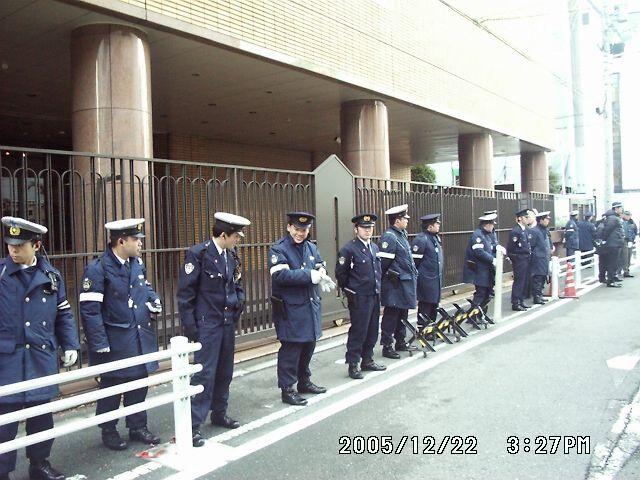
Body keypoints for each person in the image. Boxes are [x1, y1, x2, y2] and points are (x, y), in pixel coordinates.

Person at [0, 217, 80, 480]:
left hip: (39, 356)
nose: (13, 250)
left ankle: (39, 464)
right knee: (4, 421)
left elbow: (64, 314)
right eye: (10, 244)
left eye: (20, 245)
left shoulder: (51, 276)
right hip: (7, 359)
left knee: (41, 416)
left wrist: (70, 344)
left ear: (36, 245)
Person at [79, 219, 162, 451]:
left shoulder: (136, 264)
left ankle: (137, 426)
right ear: (121, 241)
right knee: (112, 388)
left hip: (138, 337)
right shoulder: (98, 269)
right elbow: (90, 309)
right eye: (136, 240)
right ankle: (109, 429)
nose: (140, 244)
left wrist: (154, 300)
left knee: (139, 383)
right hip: (114, 341)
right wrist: (99, 343)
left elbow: (145, 288)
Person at [178, 212, 251, 447]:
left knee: (224, 371)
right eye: (235, 236)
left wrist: (239, 303)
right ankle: (193, 425)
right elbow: (186, 294)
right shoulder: (198, 255)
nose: (238, 240)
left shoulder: (231, 256)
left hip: (227, 322)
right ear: (223, 234)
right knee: (204, 374)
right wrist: (192, 328)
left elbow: (236, 284)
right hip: (207, 324)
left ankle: (219, 412)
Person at [269, 212, 335, 406]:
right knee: (291, 348)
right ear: (289, 227)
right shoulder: (279, 249)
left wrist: (322, 272)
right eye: (297, 229)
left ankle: (304, 381)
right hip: (290, 309)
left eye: (304, 230)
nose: (300, 233)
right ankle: (287, 389)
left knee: (308, 345)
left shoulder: (311, 247)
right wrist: (309, 275)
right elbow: (280, 276)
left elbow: (320, 264)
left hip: (309, 306)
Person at [335, 213, 386, 380]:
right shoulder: (349, 249)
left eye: (370, 227)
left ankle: (368, 359)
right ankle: (353, 363)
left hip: (374, 294)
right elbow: (341, 274)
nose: (368, 231)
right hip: (359, 297)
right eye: (364, 228)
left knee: (372, 329)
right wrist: (350, 290)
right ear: (356, 229)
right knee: (359, 330)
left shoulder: (375, 247)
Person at [377, 204, 417, 359]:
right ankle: (387, 345)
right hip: (394, 283)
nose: (407, 221)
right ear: (397, 220)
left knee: (402, 313)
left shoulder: (401, 234)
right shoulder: (389, 237)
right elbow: (383, 264)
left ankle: (400, 341)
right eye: (404, 219)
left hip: (403, 282)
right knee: (391, 315)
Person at [463, 213, 501, 309]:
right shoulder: (478, 235)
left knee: (488, 293)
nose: (493, 227)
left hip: (487, 270)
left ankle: (481, 314)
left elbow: (489, 247)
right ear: (486, 225)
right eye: (492, 224)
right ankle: (474, 315)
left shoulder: (486, 235)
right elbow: (479, 252)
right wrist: (492, 259)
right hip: (480, 270)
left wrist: (497, 248)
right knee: (481, 293)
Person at [411, 213, 444, 326]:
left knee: (434, 304)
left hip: (435, 279)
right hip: (426, 280)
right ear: (429, 226)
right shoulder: (421, 239)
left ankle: (431, 327)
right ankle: (423, 327)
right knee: (426, 304)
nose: (438, 225)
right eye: (436, 224)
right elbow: (415, 262)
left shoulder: (434, 238)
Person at [506, 209, 532, 311]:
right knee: (519, 281)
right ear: (520, 219)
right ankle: (516, 302)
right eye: (525, 217)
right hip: (519, 259)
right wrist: (515, 259)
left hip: (525, 258)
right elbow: (511, 248)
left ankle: (521, 300)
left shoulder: (524, 230)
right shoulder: (516, 231)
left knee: (524, 281)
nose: (527, 219)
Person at [529, 211, 553, 304]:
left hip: (545, 257)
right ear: (541, 220)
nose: (548, 221)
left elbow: (548, 241)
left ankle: (540, 294)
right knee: (538, 278)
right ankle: (537, 296)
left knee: (543, 277)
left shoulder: (546, 230)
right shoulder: (534, 231)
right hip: (538, 258)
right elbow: (531, 246)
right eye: (546, 219)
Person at [600, 202, 625, 287]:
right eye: (620, 208)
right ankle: (610, 281)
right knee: (612, 262)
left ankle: (612, 278)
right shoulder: (613, 218)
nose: (621, 209)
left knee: (614, 262)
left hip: (614, 243)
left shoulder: (614, 217)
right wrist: (604, 239)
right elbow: (607, 230)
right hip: (612, 243)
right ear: (616, 208)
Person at [620, 210, 637, 278]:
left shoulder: (632, 223)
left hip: (629, 241)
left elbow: (635, 231)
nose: (628, 216)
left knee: (628, 256)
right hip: (623, 241)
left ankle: (626, 271)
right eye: (626, 215)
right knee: (623, 257)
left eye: (629, 215)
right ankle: (621, 271)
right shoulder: (621, 222)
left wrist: (632, 240)